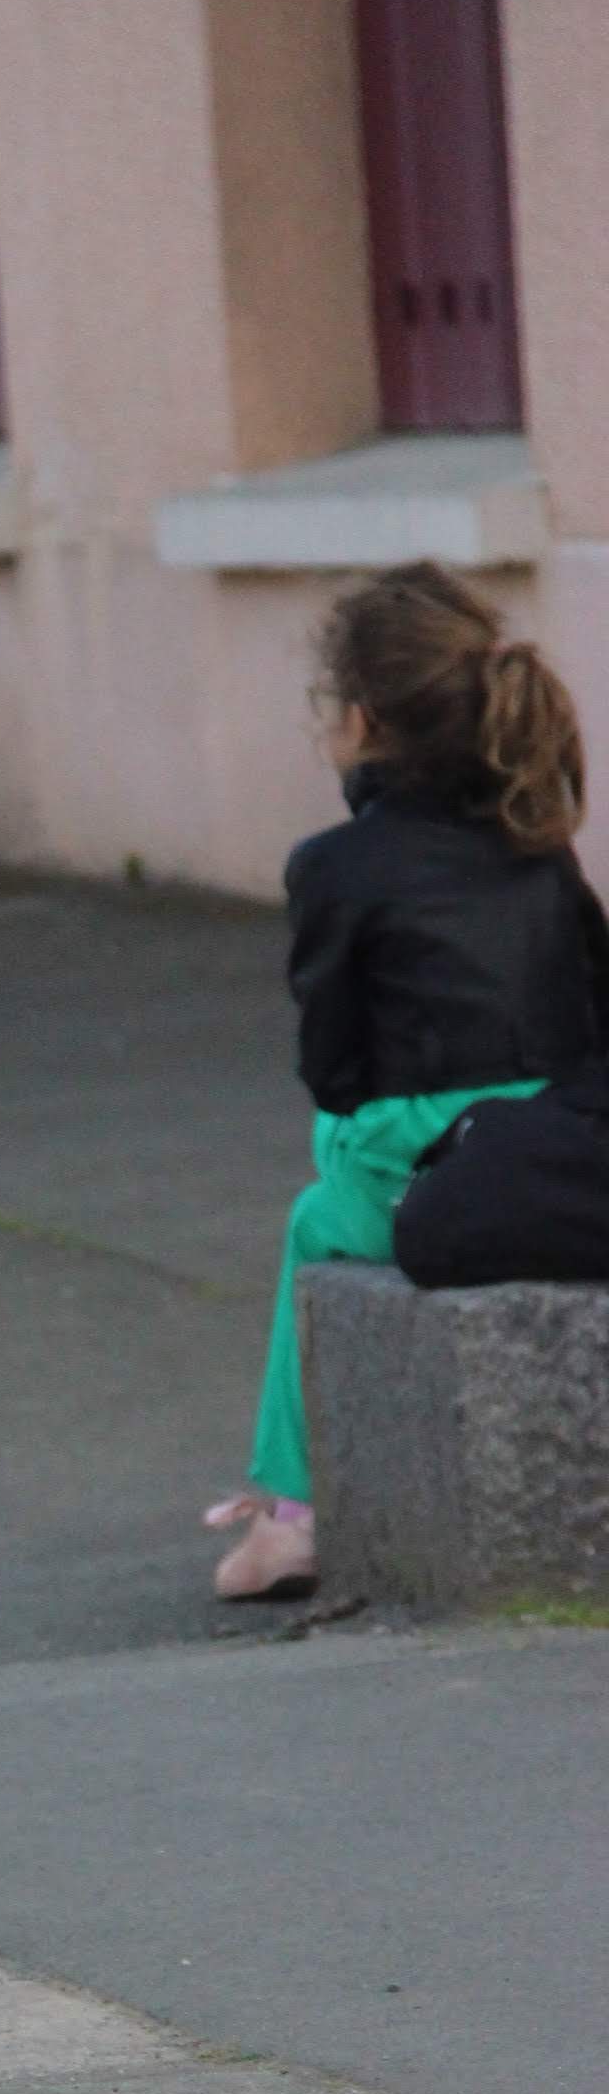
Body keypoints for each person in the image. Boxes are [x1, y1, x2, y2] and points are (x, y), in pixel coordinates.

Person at [207, 562, 605, 1599]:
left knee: (320, 1199)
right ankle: (288, 1511)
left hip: (434, 1149)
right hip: (558, 1131)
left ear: (363, 719)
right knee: (337, 1186)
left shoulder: (336, 866)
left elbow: (334, 1072)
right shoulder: (540, 845)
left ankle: (292, 1517)